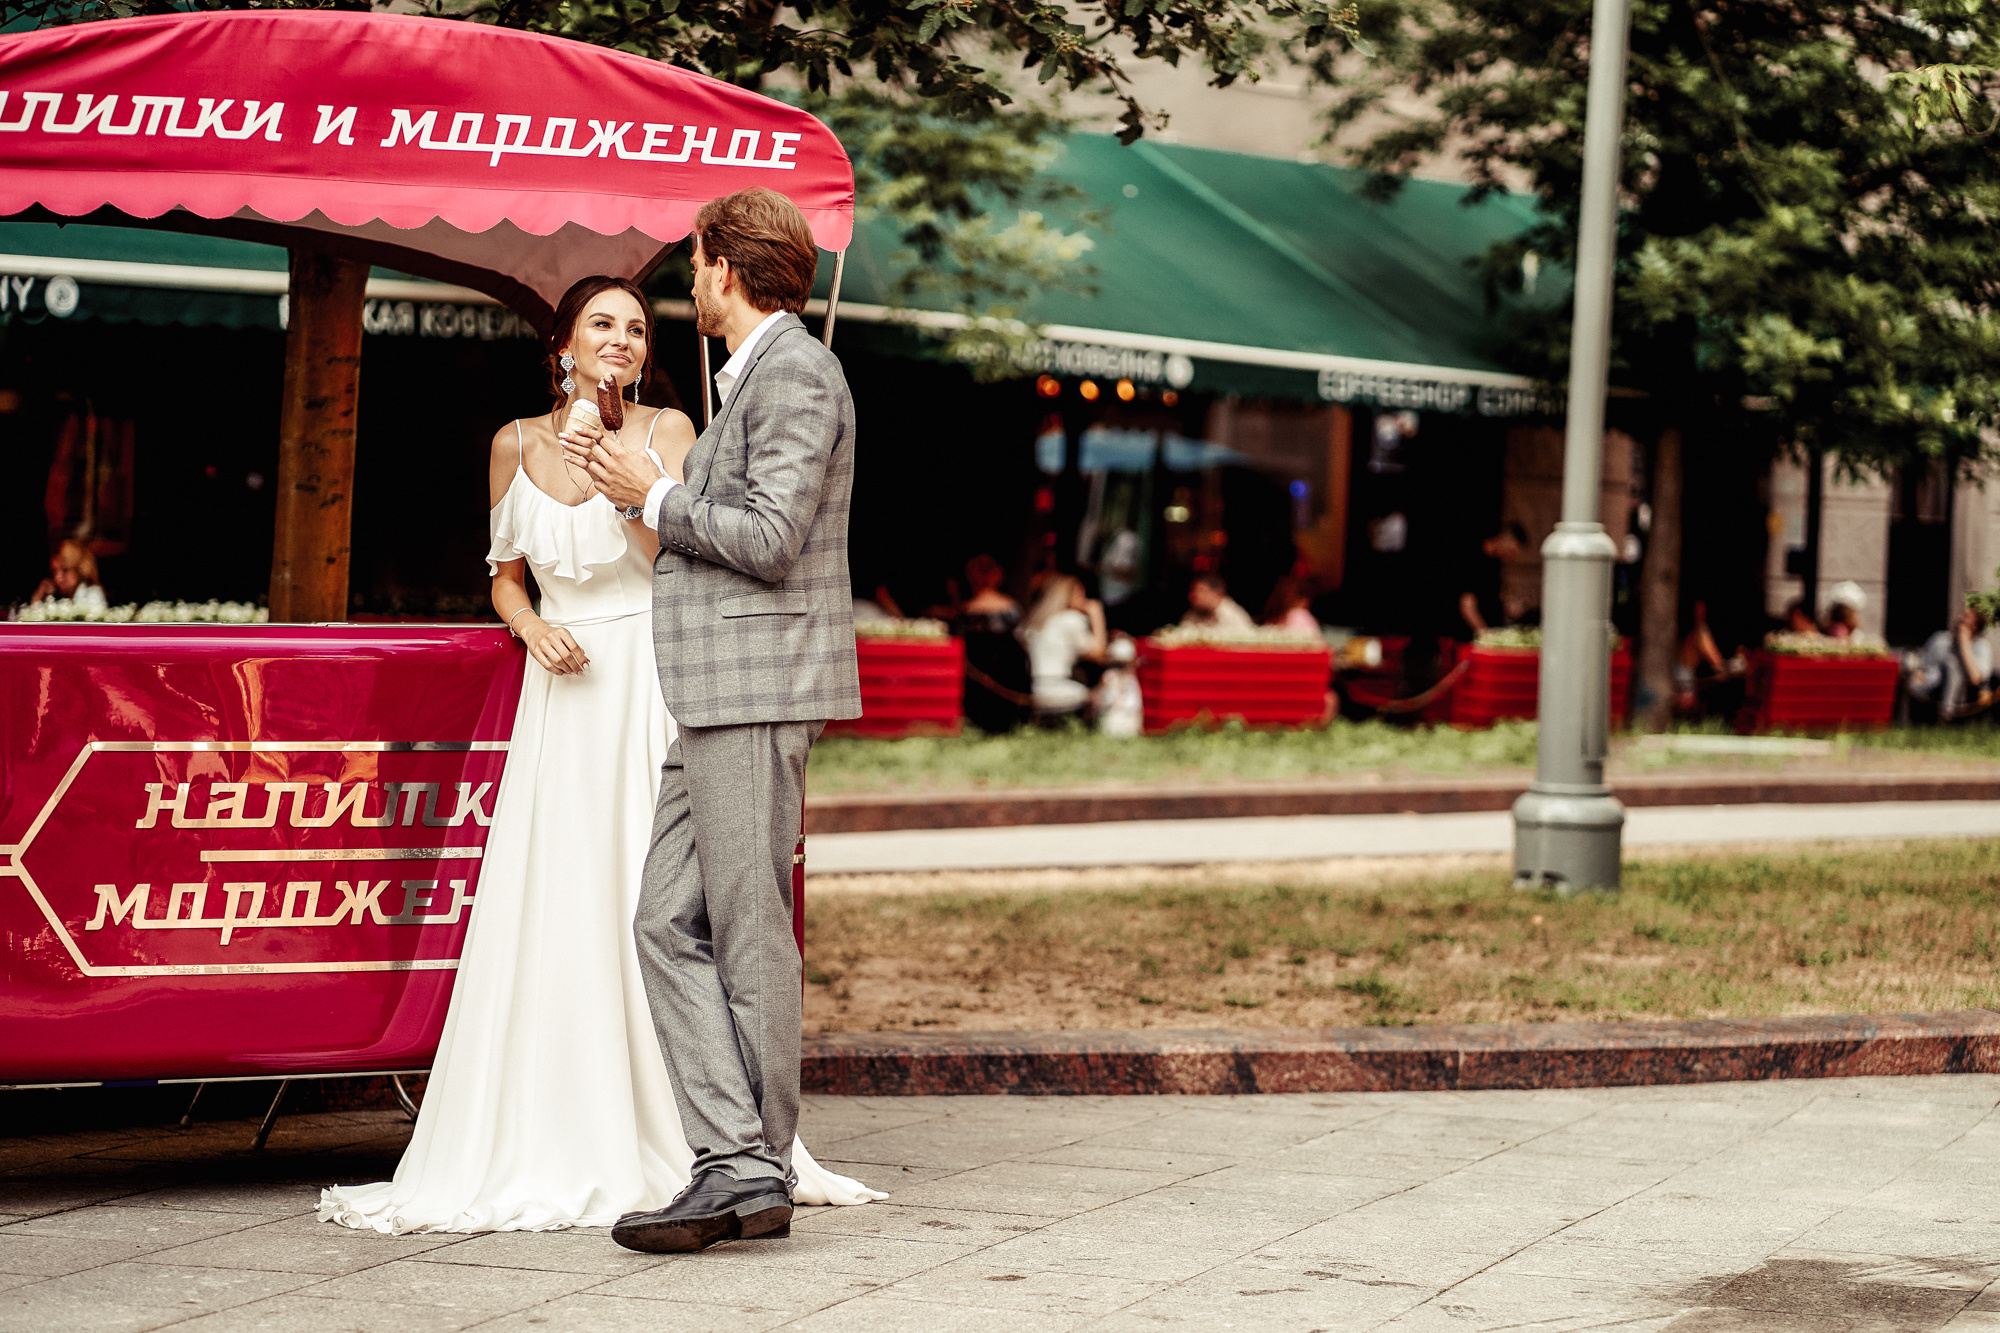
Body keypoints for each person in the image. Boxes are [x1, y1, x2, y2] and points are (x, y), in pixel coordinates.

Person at [318, 269, 880, 1239]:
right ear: (563, 346)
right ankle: (587, 1127)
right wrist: (529, 625)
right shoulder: (512, 443)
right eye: (601, 325)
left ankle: (718, 1147)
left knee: (685, 910)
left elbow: (709, 555)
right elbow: (505, 574)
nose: (621, 339)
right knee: (572, 903)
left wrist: (628, 484)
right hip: (560, 695)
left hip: (658, 681)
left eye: (633, 327)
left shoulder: (667, 433)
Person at [575, 189, 878, 1253]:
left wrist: (654, 496)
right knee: (665, 920)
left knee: (748, 935)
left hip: (755, 687)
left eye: (695, 260)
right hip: (720, 687)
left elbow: (767, 535)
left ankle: (748, 1169)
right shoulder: (757, 371)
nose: (688, 278)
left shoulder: (794, 369)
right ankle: (735, 1161)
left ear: (725, 266)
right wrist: (640, 489)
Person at [952, 553, 1031, 734]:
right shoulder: (1011, 609)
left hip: (976, 687)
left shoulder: (966, 612)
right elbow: (1023, 644)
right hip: (1008, 680)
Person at [1020, 572, 1108, 721]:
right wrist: (1096, 614)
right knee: (1106, 691)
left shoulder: (1036, 622)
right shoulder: (1071, 619)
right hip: (1060, 689)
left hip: (1034, 689)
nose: (1084, 598)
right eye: (1080, 593)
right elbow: (1099, 654)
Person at [1908, 606, 1995, 718]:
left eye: (1966, 618)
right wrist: (1918, 672)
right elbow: (1921, 663)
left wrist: (1964, 643)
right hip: (1931, 687)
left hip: (1963, 695)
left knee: (1951, 662)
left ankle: (1947, 710)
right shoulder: (1939, 639)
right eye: (1961, 616)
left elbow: (1976, 678)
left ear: (1975, 626)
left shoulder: (1981, 646)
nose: (1960, 620)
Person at [1457, 521, 1526, 639]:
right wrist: (1486, 634)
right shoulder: (1473, 558)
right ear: (1504, 541)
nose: (1511, 556)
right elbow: (1467, 604)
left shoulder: (1496, 563)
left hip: (1488, 633)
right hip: (1469, 638)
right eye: (1512, 551)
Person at [31, 537, 104, 609]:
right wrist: (39, 596)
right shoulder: (62, 597)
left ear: (79, 569)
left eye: (65, 570)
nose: (57, 578)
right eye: (54, 572)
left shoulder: (92, 594)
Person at [1180, 571, 1255, 631]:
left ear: (1217, 593)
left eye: (1201, 590)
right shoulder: (1192, 614)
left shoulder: (1233, 616)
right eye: (1193, 591)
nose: (1195, 595)